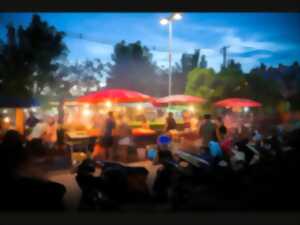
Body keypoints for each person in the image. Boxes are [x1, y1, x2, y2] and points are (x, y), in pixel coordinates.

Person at [0, 130, 66, 211]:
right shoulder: (18, 153)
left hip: (15, 184)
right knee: (59, 190)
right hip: (19, 186)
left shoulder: (11, 151)